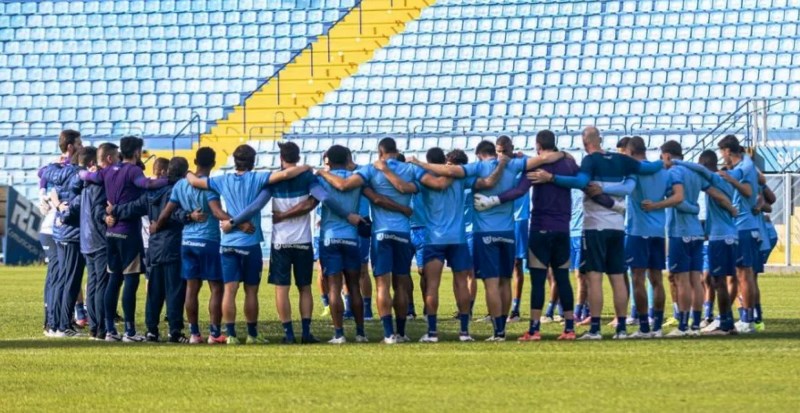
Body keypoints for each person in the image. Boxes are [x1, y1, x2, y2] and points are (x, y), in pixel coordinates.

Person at [412, 140, 563, 341]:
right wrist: (563, 155)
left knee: (434, 285)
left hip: (442, 237)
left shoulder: (428, 179)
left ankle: (431, 333)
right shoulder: (466, 178)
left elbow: (412, 186)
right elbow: (489, 183)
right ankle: (468, 332)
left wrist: (417, 164)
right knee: (482, 283)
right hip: (476, 236)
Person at [528, 126, 663, 340]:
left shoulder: (590, 160)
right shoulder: (621, 160)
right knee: (618, 277)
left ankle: (596, 329)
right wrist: (668, 161)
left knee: (594, 278)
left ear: (585, 142)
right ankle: (621, 329)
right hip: (618, 226)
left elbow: (581, 183)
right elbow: (650, 168)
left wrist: (551, 178)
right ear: (600, 139)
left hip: (595, 226)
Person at [185, 144, 310, 344]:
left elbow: (194, 181)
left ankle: (232, 335)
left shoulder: (223, 180)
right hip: (250, 242)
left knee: (229, 290)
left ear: (235, 161)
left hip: (228, 242)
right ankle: (252, 334)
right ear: (253, 162)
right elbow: (285, 175)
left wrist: (189, 172)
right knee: (251, 290)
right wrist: (304, 167)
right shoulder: (258, 178)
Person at [478, 130, 579, 341]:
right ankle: (569, 328)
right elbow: (581, 179)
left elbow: (519, 191)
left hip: (540, 228)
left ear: (538, 146)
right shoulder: (568, 164)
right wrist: (564, 156)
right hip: (563, 229)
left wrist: (494, 200)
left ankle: (534, 330)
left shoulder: (536, 165)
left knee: (538, 280)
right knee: (562, 278)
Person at [316, 137, 419, 344]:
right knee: (388, 284)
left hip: (343, 236)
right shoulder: (400, 171)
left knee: (341, 286)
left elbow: (336, 191)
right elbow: (377, 198)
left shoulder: (337, 177)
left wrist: (322, 172)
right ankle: (372, 333)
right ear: (348, 159)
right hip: (372, 236)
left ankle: (344, 335)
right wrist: (403, 209)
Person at [79, 136, 170, 342]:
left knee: (113, 279)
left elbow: (87, 176)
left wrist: (106, 215)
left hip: (111, 234)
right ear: (137, 151)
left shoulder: (107, 171)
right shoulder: (133, 171)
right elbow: (145, 184)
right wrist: (168, 179)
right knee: (130, 280)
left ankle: (110, 329)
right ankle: (129, 331)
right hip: (129, 232)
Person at [109, 157, 195, 343]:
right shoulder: (176, 191)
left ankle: (151, 331)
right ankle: (175, 331)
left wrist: (114, 210)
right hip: (172, 245)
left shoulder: (150, 193)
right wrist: (189, 216)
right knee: (174, 290)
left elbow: (132, 208)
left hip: (154, 247)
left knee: (155, 291)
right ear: (183, 172)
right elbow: (176, 213)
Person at [151, 148, 227, 344]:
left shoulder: (180, 186)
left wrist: (156, 227)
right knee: (216, 287)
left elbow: (166, 213)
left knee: (192, 288)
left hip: (187, 242)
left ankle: (194, 334)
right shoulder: (208, 187)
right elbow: (217, 213)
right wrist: (237, 221)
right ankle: (214, 333)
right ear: (214, 162)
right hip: (208, 240)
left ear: (195, 160)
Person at [672, 150, 739, 335]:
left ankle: (725, 324)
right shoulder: (727, 179)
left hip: (720, 236)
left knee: (719, 282)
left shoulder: (716, 178)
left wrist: (677, 162)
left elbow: (718, 195)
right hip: (730, 235)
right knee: (718, 280)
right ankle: (728, 322)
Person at [641, 141, 704, 337]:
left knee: (682, 279)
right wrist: (695, 209)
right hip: (697, 230)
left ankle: (683, 326)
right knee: (696, 279)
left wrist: (656, 205)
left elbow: (677, 199)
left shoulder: (675, 172)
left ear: (667, 155)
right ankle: (696, 325)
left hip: (680, 230)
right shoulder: (694, 172)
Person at [616, 136, 672, 338]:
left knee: (637, 278)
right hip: (658, 230)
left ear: (630, 153)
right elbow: (672, 195)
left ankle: (644, 328)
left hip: (638, 231)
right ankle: (657, 326)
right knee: (657, 279)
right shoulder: (662, 172)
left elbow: (624, 190)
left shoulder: (634, 170)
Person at [315, 145, 369, 343]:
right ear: (348, 158)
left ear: (327, 160)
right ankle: (361, 333)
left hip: (330, 237)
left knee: (334, 288)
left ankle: (339, 334)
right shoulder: (356, 178)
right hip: (351, 238)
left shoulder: (321, 178)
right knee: (354, 286)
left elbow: (317, 201)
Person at [38, 129, 85, 338]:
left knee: (58, 277)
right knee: (62, 278)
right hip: (61, 229)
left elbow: (42, 173)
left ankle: (54, 323)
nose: (82, 147)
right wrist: (50, 201)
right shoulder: (71, 171)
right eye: (80, 143)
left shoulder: (55, 169)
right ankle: (58, 324)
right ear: (70, 147)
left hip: (57, 229)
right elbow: (42, 173)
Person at [716, 135, 759, 333]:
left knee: (744, 273)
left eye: (721, 152)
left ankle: (748, 320)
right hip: (742, 225)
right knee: (742, 273)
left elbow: (749, 192)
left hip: (744, 226)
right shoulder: (744, 165)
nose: (721, 156)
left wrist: (730, 179)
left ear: (727, 151)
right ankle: (745, 318)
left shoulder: (746, 167)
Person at [79, 145, 114, 340]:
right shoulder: (98, 183)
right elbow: (97, 210)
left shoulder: (85, 183)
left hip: (86, 239)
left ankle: (94, 326)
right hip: (98, 239)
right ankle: (101, 328)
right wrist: (106, 215)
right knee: (100, 284)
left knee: (92, 284)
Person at [496, 136, 529, 323]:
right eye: (498, 151)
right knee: (499, 264)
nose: (501, 155)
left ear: (512, 149)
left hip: (519, 220)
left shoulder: (521, 164)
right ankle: (496, 307)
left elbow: (539, 161)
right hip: (500, 220)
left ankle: (515, 309)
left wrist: (522, 156)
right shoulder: (493, 167)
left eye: (505, 151)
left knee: (516, 263)